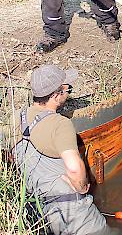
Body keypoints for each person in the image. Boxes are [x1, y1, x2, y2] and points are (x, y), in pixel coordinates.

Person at [10, 65, 110, 234]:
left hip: (37, 212)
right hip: (71, 212)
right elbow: (73, 167)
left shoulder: (15, 117)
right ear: (56, 96)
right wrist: (82, 188)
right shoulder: (60, 124)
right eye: (67, 89)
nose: (68, 93)